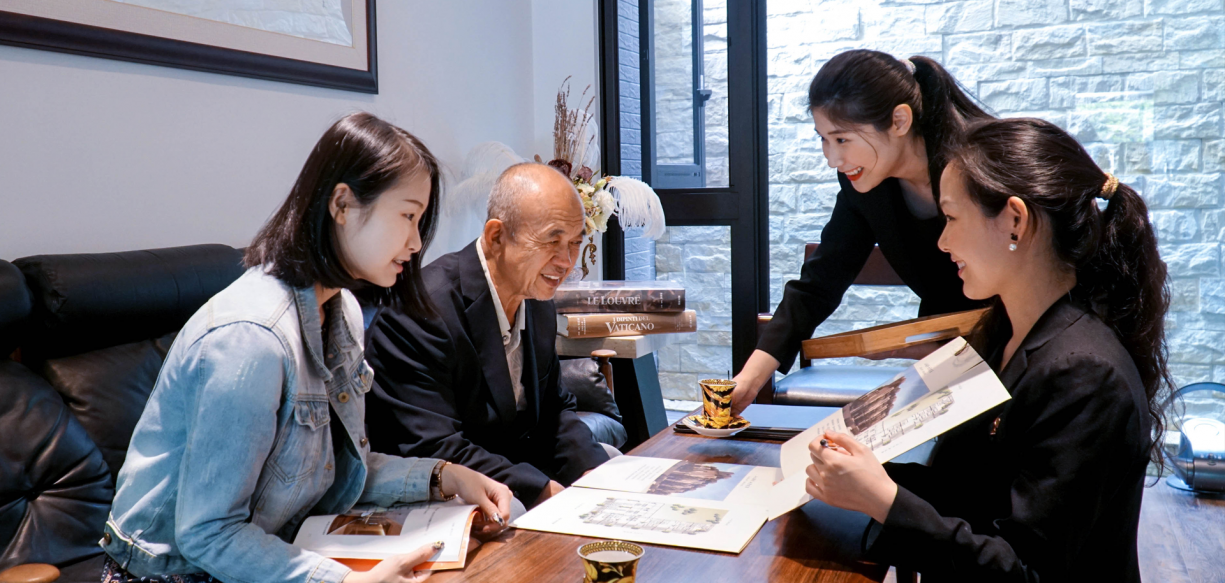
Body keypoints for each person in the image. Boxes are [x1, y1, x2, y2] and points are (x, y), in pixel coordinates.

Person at [101, 113, 513, 583]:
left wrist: (444, 477)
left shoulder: (342, 311)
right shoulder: (251, 340)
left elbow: (336, 470)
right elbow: (208, 533)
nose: (417, 242)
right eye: (408, 216)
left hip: (271, 555)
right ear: (342, 204)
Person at [803, 118, 1170, 582]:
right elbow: (974, 489)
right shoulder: (1005, 331)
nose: (942, 242)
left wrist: (883, 499)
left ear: (1015, 220)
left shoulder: (1084, 374)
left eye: (952, 218)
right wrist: (867, 475)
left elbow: (1027, 571)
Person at [731, 49, 993, 415]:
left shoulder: (982, 161)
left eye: (842, 140)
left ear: (899, 121)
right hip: (950, 350)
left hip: (1023, 345)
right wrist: (750, 378)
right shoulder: (865, 186)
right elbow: (819, 283)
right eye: (824, 139)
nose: (832, 159)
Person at [364, 163, 611, 510]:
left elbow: (555, 409)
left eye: (574, 243)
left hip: (510, 466)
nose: (566, 261)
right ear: (496, 237)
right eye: (552, 241)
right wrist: (542, 490)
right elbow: (435, 446)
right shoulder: (422, 310)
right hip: (438, 486)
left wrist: (593, 472)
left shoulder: (536, 298)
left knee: (611, 464)